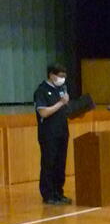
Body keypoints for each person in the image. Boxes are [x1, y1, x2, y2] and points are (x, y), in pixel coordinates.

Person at [34, 63, 71, 205]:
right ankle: (48, 194)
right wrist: (61, 103)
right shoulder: (42, 91)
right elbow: (43, 112)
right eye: (60, 76)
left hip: (62, 131)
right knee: (49, 163)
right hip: (49, 134)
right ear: (51, 75)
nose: (62, 79)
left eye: (64, 76)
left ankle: (58, 193)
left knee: (60, 164)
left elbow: (64, 110)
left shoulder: (61, 89)